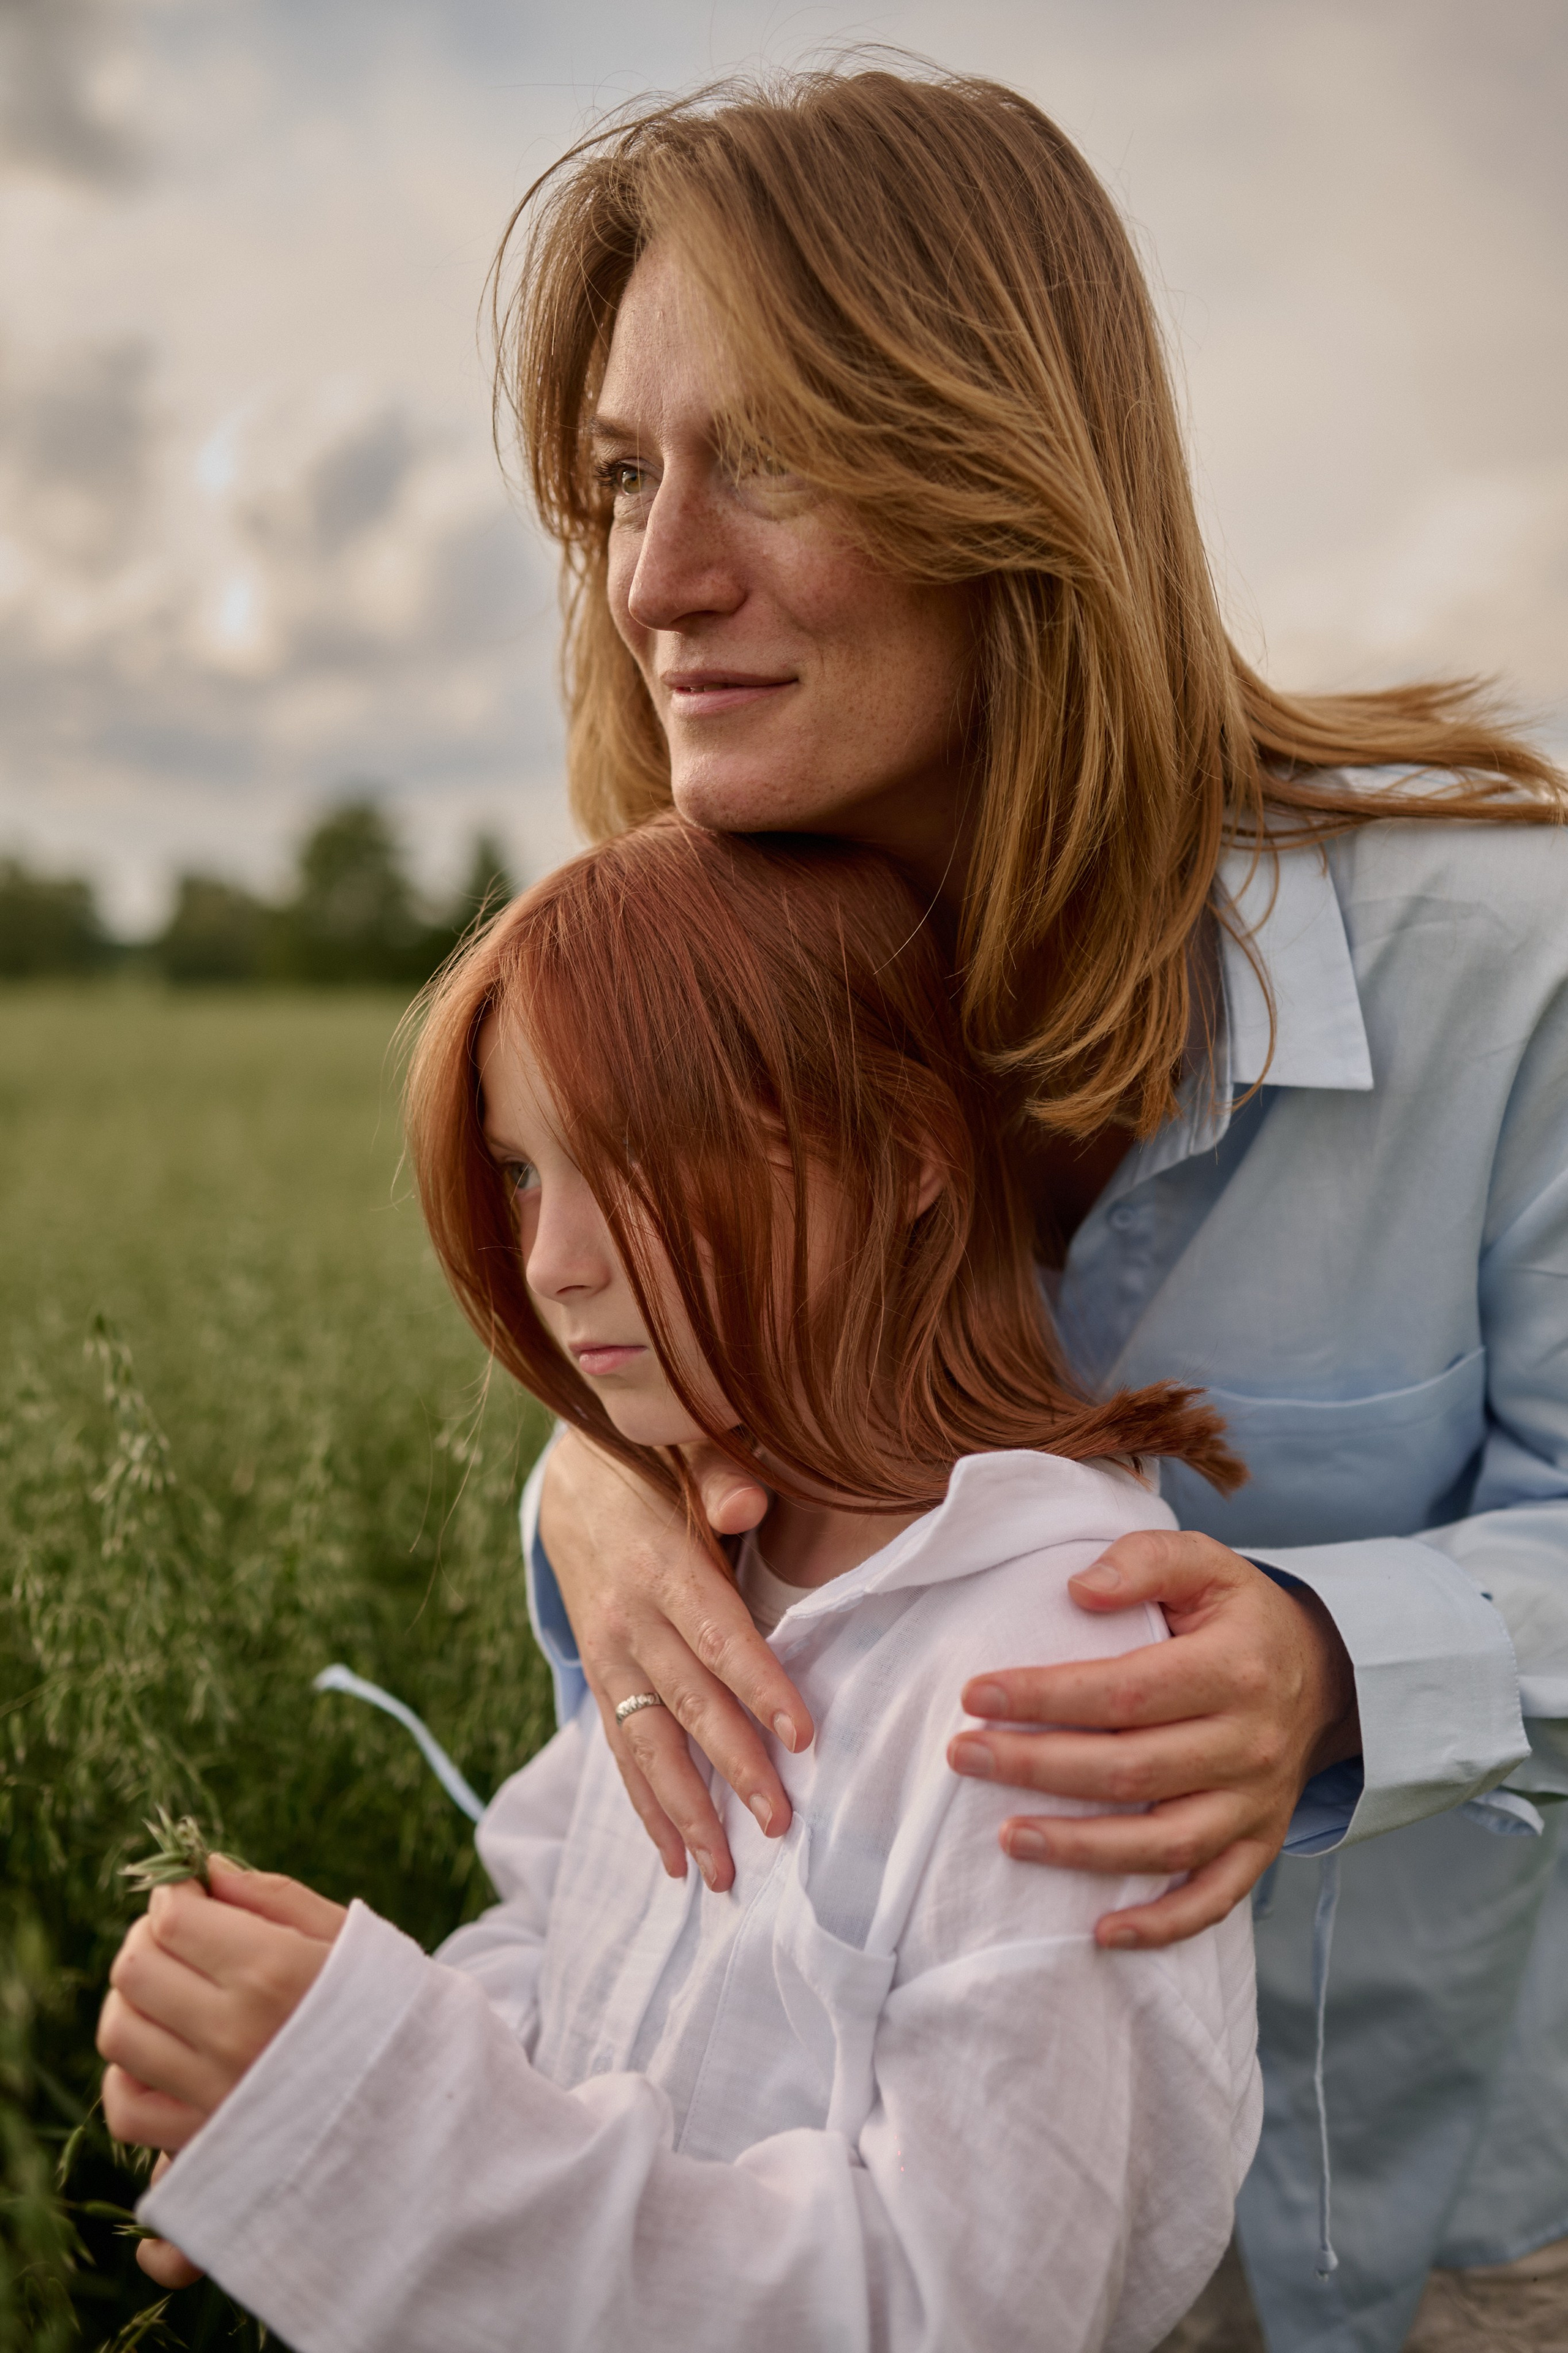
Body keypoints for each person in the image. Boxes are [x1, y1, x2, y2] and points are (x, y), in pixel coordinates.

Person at [495, 64, 1568, 2353]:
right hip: (891, 2225)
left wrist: (1337, 1652)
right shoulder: (707, 999)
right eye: (616, 480)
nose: (660, 576)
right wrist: (590, 1471)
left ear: (1002, 460)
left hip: (1446, 2250)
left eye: (763, 454)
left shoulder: (1513, 970)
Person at [99, 818, 1262, 2352]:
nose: (552, 1261)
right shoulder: (704, 1568)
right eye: (521, 1172)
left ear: (908, 1150)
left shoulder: (1054, 1660)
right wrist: (310, 2066)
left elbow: (954, 2304)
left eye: (637, 1160)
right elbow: (557, 1942)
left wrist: (373, 2118)